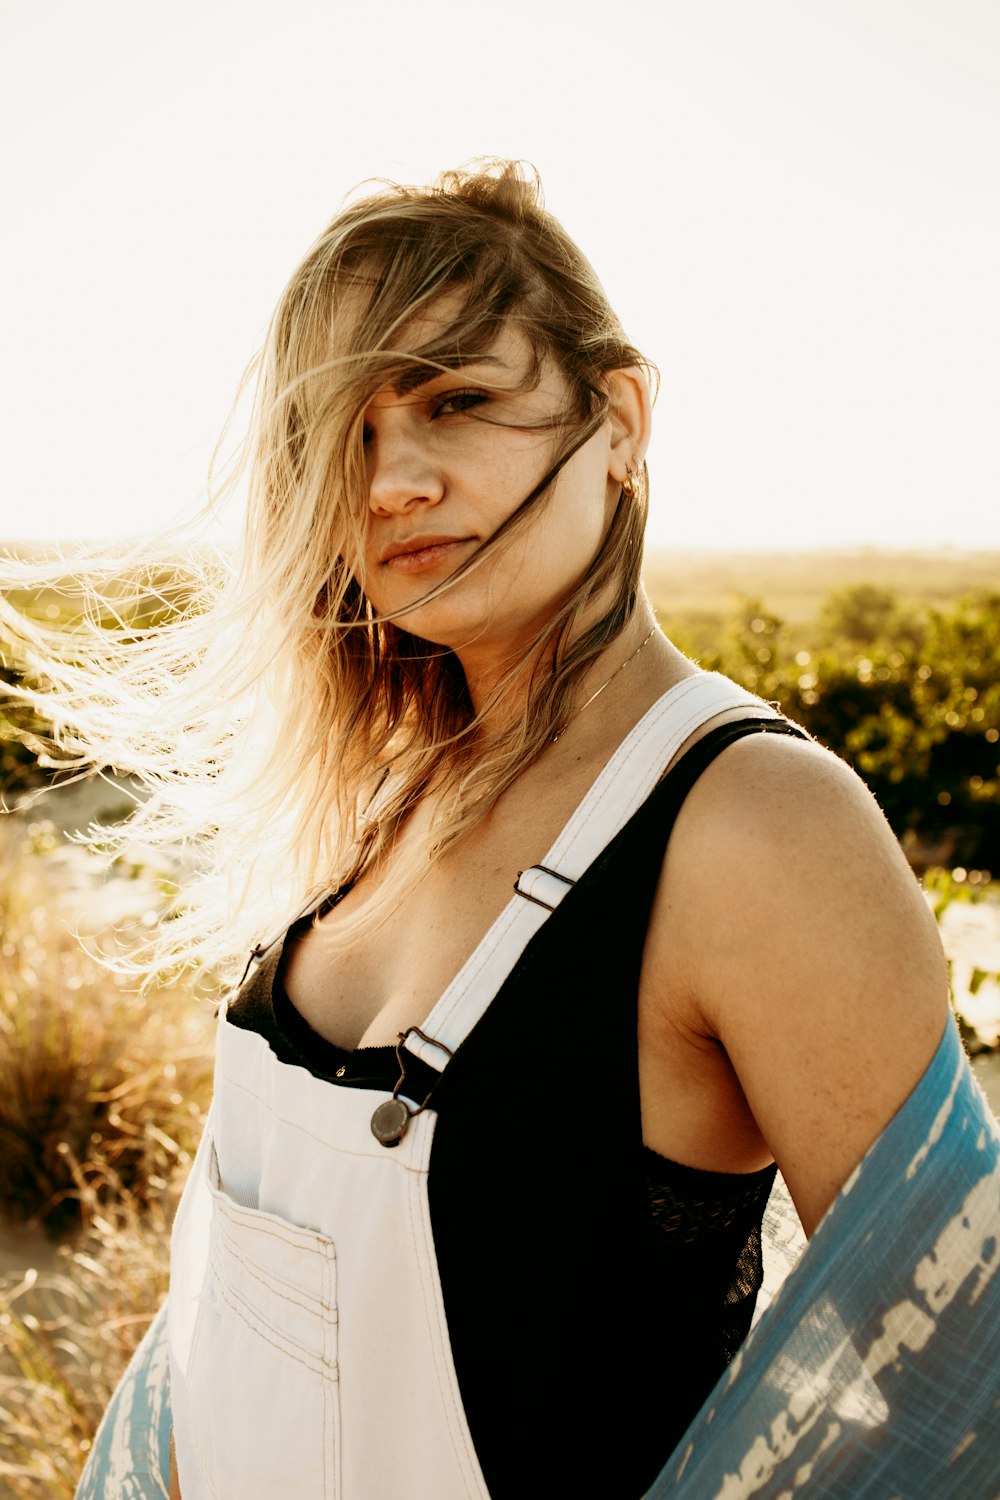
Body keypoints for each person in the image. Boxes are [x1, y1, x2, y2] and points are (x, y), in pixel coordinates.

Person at [17, 159, 993, 1497]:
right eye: (346, 436)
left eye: (456, 401)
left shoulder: (753, 827)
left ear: (621, 418)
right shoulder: (381, 794)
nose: (393, 480)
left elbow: (958, 1391)